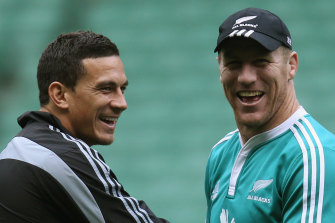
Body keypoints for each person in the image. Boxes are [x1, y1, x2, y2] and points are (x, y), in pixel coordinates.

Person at [0, 31, 169, 223]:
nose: (122, 103)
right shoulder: (61, 156)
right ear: (60, 95)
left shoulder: (16, 150)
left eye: (122, 89)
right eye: (105, 88)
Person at [205, 8, 335, 223]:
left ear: (291, 65)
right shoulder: (220, 153)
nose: (246, 77)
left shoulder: (314, 158)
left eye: (261, 62)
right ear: (220, 67)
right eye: (234, 63)